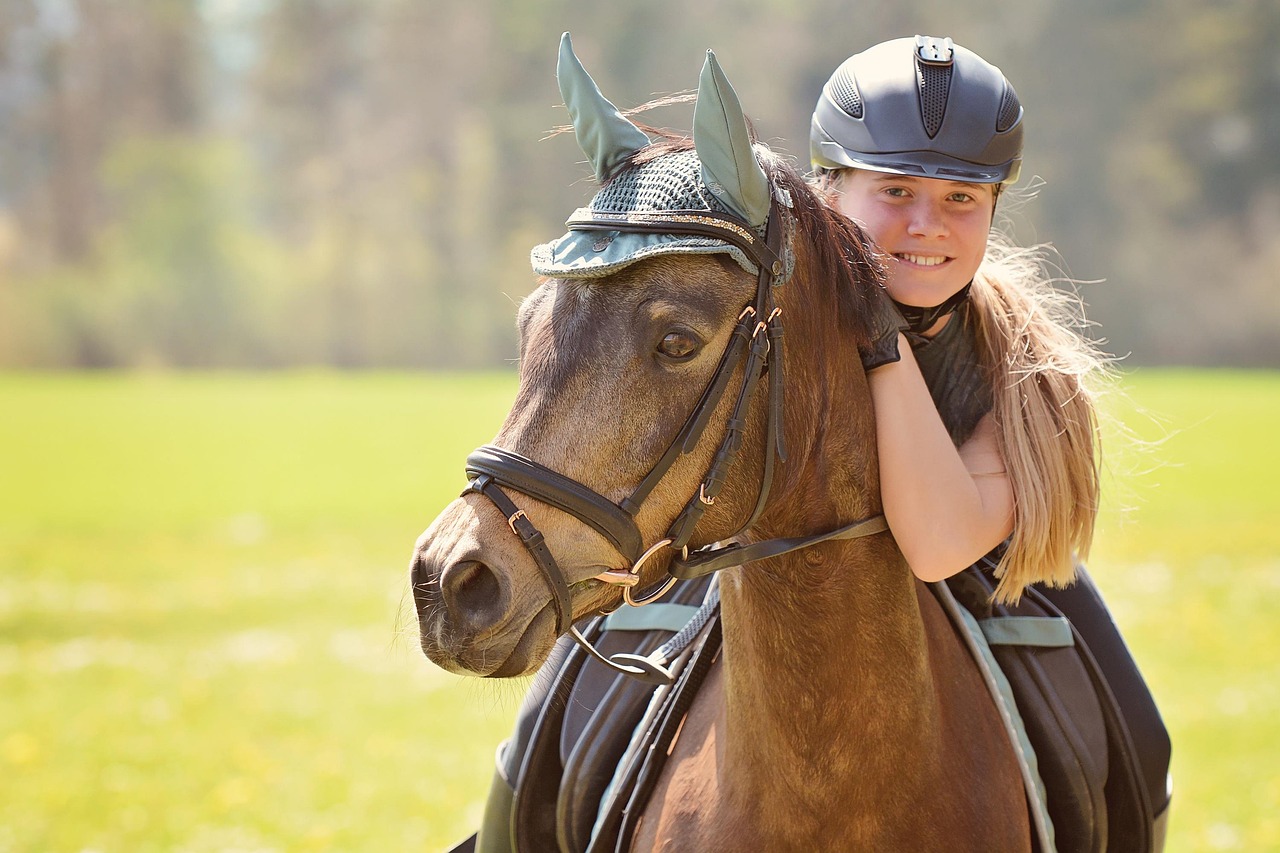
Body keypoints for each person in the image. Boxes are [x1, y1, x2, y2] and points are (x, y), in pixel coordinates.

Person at [809, 34, 1171, 845]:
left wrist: (875, 335)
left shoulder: (1029, 371)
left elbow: (939, 545)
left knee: (1142, 742)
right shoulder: (763, 319)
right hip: (768, 570)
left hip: (992, 582)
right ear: (831, 191)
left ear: (995, 208)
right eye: (895, 188)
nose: (926, 224)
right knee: (569, 699)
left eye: (961, 199)